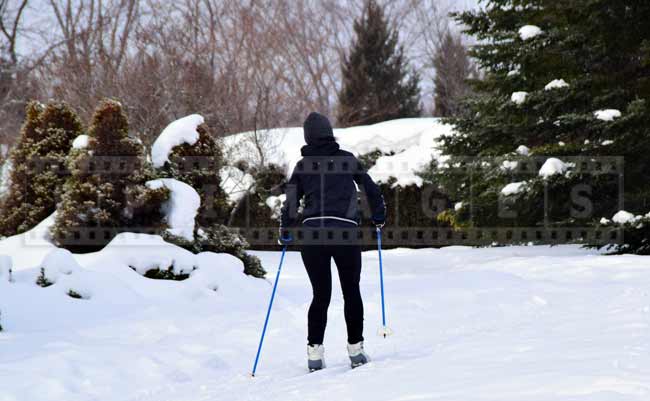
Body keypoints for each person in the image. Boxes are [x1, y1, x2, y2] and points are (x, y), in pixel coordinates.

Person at [279, 112, 386, 372]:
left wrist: (285, 229)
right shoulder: (347, 160)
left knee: (320, 295)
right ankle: (356, 351)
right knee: (351, 291)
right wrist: (379, 217)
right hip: (345, 233)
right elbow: (370, 189)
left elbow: (291, 202)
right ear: (329, 133)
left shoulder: (303, 165)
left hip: (311, 236)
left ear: (307, 137)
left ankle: (314, 355)